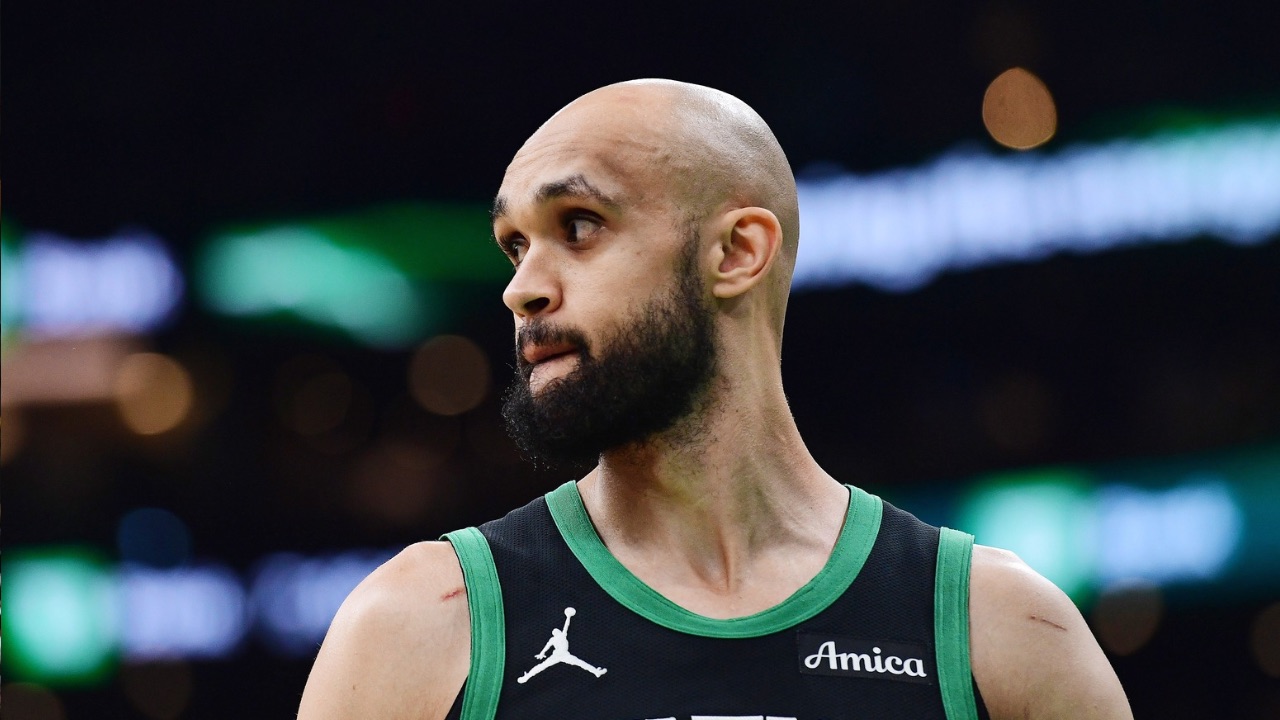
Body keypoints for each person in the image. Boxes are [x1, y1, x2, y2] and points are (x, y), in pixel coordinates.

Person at [297, 79, 1132, 720]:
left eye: (579, 225)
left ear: (737, 251)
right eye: (515, 245)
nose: (522, 289)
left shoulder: (1004, 632)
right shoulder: (415, 630)